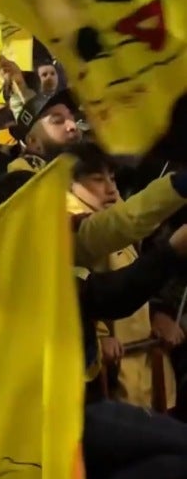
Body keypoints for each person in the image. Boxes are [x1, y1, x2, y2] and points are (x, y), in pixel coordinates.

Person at [67, 142, 178, 409]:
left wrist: (158, 313)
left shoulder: (107, 217)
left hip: (146, 366)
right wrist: (98, 334)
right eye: (97, 180)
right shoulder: (72, 228)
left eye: (113, 178)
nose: (111, 188)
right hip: (111, 381)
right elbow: (84, 290)